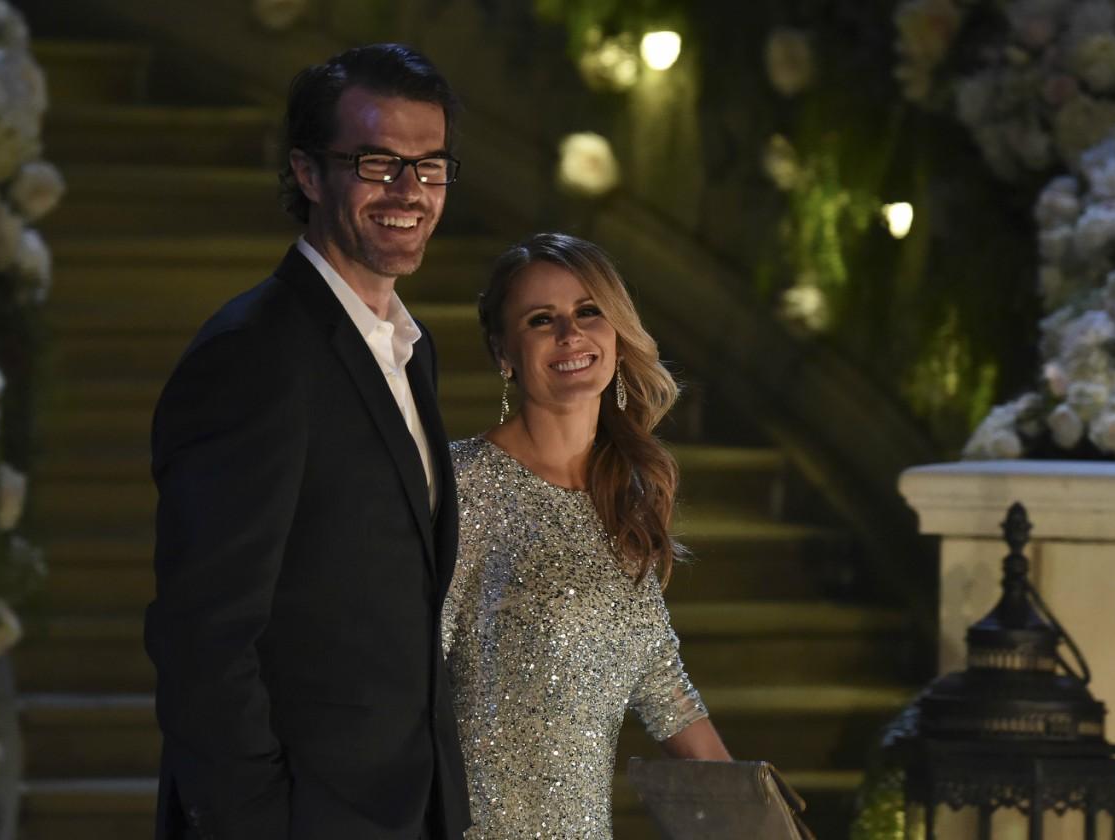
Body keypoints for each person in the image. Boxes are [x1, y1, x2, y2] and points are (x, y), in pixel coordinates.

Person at [145, 44, 469, 840]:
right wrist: (253, 820)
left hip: (404, 809)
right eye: (378, 161)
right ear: (307, 173)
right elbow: (204, 634)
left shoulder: (409, 350)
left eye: (430, 167)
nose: (410, 192)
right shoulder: (256, 352)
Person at [441, 232, 731, 838]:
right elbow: (406, 674)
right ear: (504, 352)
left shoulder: (623, 499)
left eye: (588, 311)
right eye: (542, 320)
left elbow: (662, 683)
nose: (570, 335)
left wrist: (754, 818)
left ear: (617, 333)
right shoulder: (461, 486)